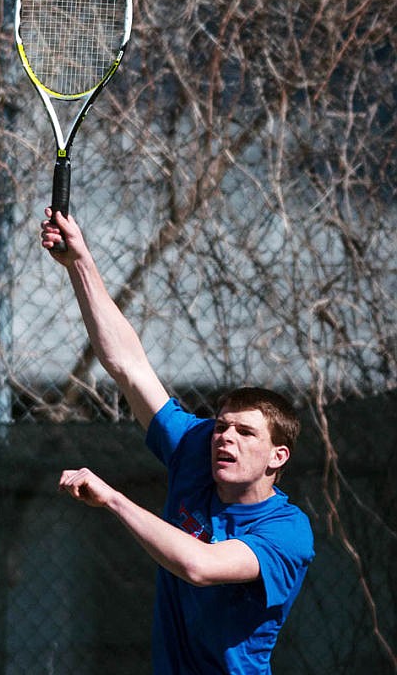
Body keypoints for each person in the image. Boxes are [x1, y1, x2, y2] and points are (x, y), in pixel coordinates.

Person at [41, 209, 315, 675]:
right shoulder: (197, 447)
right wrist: (80, 262)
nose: (225, 437)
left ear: (277, 456)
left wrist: (113, 500)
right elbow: (128, 365)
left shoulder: (288, 533)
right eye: (222, 426)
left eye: (245, 432)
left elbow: (200, 566)